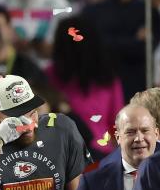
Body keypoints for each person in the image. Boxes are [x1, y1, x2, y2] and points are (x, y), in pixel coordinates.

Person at [47, 15, 124, 159]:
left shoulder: (49, 75)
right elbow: (118, 126)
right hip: (94, 155)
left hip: (66, 156)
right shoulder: (108, 78)